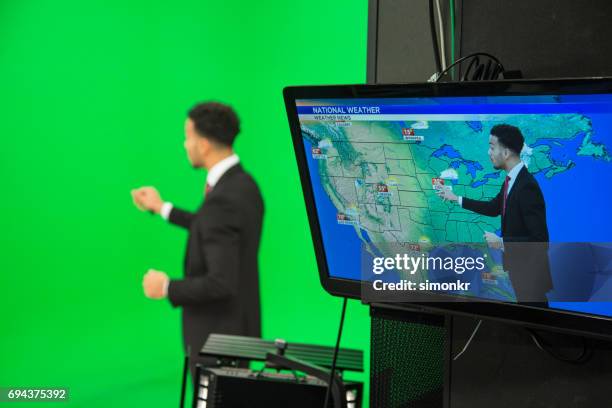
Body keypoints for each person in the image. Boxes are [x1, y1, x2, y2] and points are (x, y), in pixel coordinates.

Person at [131, 101, 264, 379]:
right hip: (238, 330)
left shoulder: (223, 199)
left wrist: (166, 287)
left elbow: (220, 282)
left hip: (217, 338)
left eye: (187, 137)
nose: (185, 145)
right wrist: (161, 207)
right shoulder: (243, 185)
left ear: (203, 144)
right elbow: (212, 228)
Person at [438, 124, 552, 302]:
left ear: (506, 152)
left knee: (536, 320)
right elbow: (493, 208)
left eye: (492, 147)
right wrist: (455, 198)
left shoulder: (526, 186)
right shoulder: (511, 180)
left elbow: (540, 240)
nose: (488, 152)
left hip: (530, 275)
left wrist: (501, 242)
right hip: (519, 271)